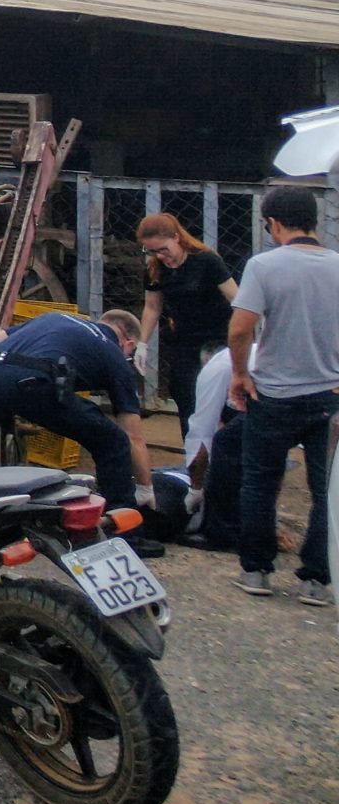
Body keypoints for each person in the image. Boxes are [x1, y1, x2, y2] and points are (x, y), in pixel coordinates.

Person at [228, 183, 339, 602]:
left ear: (273, 223)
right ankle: (316, 579)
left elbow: (241, 329)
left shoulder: (263, 266)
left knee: (259, 482)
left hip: (273, 393)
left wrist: (240, 374)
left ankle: (256, 572)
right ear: (313, 220)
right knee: (326, 490)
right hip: (330, 395)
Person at [0, 307, 155, 519]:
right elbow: (133, 436)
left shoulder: (55, 318)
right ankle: (122, 527)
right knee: (113, 442)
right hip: (33, 383)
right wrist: (145, 488)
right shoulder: (115, 355)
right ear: (129, 344)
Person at [138, 213, 237, 426]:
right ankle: (195, 455)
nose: (160, 256)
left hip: (218, 338)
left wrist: (241, 338)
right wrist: (142, 343)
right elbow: (152, 307)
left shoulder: (206, 260)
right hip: (183, 342)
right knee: (187, 401)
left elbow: (236, 299)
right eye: (152, 251)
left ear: (176, 237)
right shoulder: (155, 268)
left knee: (228, 403)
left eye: (163, 249)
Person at [180, 345, 248, 550]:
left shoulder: (215, 367)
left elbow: (202, 434)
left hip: (281, 394)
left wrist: (195, 489)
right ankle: (257, 529)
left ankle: (221, 533)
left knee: (224, 443)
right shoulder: (247, 356)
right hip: (308, 390)